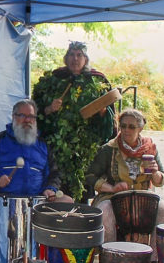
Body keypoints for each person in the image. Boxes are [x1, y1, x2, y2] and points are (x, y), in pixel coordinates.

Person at [0, 99, 72, 263]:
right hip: (3, 204)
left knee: (69, 206)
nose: (27, 120)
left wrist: (50, 188)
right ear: (13, 117)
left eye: (31, 116)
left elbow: (54, 173)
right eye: (22, 116)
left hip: (39, 203)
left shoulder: (43, 145)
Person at [85, 108, 164, 263]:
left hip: (143, 197)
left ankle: (154, 261)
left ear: (140, 128)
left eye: (131, 127)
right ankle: (110, 260)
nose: (126, 130)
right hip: (113, 197)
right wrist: (111, 187)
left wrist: (154, 172)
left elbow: (161, 179)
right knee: (105, 214)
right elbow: (89, 176)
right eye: (123, 125)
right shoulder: (109, 149)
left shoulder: (150, 149)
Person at [32, 41, 116, 201]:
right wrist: (49, 108)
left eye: (79, 55)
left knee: (80, 195)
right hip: (55, 150)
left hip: (83, 152)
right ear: (66, 57)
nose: (75, 59)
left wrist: (102, 112)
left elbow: (109, 123)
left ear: (86, 59)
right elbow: (33, 111)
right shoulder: (53, 79)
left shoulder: (97, 81)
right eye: (71, 54)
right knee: (55, 194)